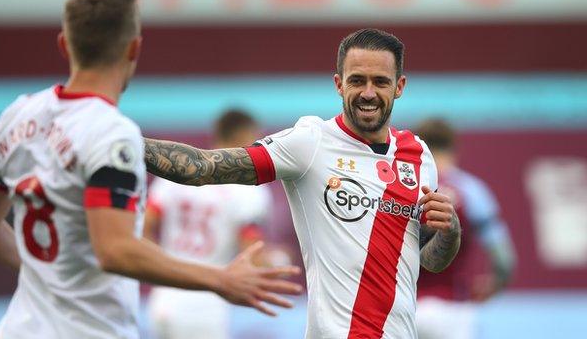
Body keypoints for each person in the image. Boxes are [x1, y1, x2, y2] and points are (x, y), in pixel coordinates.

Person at [0, 0, 301, 338]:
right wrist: (220, 279)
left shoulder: (18, 114)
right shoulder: (113, 133)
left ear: (65, 44)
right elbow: (115, 250)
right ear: (134, 49)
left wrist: (45, 272)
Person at [143, 28, 462, 338]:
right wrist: (123, 142)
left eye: (380, 81)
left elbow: (428, 261)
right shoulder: (310, 143)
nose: (368, 93)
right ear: (338, 84)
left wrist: (450, 230)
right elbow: (202, 168)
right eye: (357, 81)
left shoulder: (418, 155)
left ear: (399, 86)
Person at [145, 109, 281, 339]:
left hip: (162, 301)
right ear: (244, 135)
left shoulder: (176, 177)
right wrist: (276, 262)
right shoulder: (247, 189)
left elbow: (143, 227)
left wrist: (162, 265)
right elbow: (252, 253)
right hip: (205, 306)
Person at [414, 119, 516, 339]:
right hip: (455, 312)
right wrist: (495, 285)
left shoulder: (407, 187)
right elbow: (504, 260)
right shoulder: (472, 190)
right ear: (453, 148)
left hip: (406, 309)